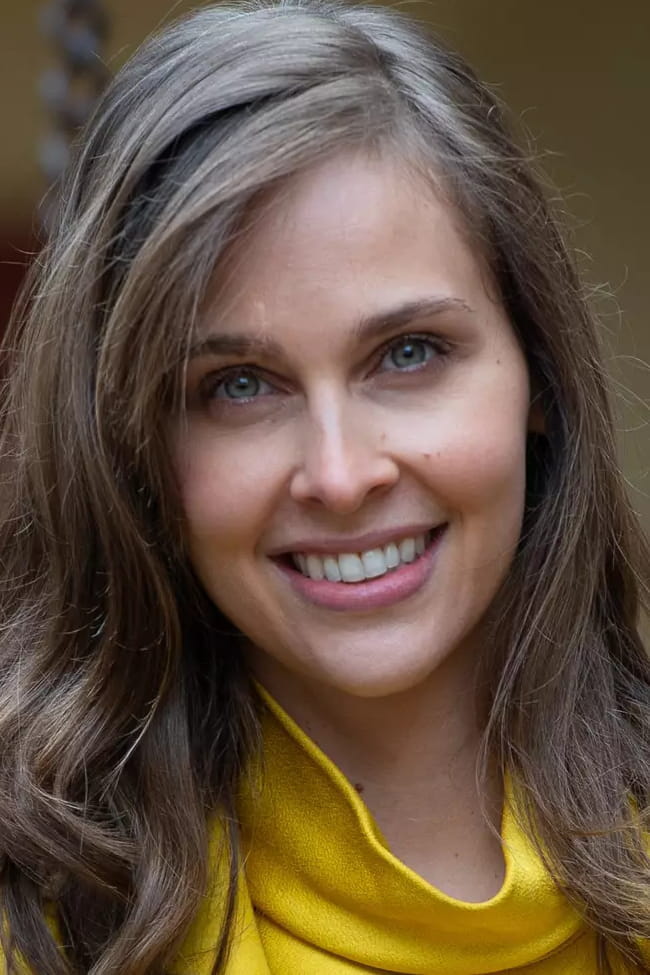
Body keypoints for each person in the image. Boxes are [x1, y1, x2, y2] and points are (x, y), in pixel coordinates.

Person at [1, 1, 648, 972]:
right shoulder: (45, 917)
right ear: (129, 446)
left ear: (540, 379)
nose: (341, 477)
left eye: (408, 353)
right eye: (238, 385)